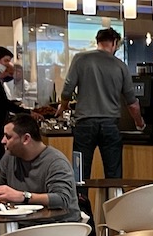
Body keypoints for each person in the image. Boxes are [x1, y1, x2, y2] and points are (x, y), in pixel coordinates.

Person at [61, 27, 143, 181]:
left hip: (84, 123)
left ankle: (80, 204)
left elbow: (67, 90)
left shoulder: (80, 59)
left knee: (80, 175)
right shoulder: (121, 66)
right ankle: (113, 204)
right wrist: (140, 123)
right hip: (110, 124)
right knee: (113, 176)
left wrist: (62, 107)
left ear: (97, 41)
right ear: (114, 43)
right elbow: (132, 103)